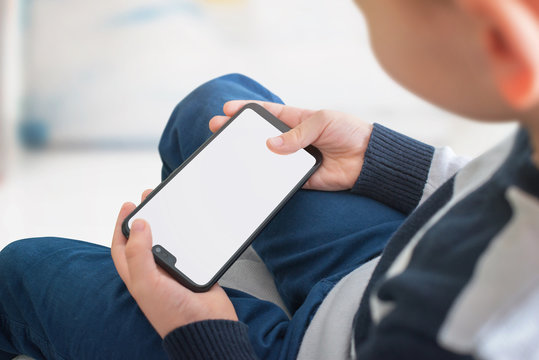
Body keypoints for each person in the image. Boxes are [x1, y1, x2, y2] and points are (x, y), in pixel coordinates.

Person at [1, 0, 539, 358]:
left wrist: (201, 332)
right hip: (395, 257)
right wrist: (384, 158)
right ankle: (227, 268)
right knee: (218, 106)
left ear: (502, 43)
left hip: (310, 347)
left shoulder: (463, 335)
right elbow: (484, 183)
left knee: (21, 269)